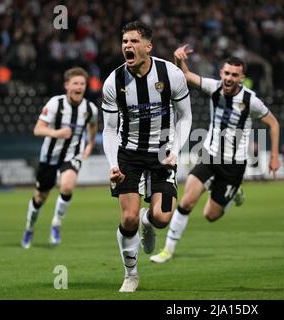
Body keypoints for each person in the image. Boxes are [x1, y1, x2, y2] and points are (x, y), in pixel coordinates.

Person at [150, 45, 280, 264]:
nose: (229, 78)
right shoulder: (214, 87)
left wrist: (274, 156)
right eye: (226, 73)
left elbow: (273, 123)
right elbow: (185, 75)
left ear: (242, 78)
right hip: (209, 156)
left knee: (210, 216)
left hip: (234, 165)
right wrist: (178, 58)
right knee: (187, 201)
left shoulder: (251, 101)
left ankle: (234, 191)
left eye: (234, 75)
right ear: (221, 73)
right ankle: (168, 250)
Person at [101, 21, 192, 292]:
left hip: (163, 154)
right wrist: (113, 165)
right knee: (126, 219)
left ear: (148, 47)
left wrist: (176, 151)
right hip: (128, 154)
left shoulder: (170, 73)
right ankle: (131, 274)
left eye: (133, 41)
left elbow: (186, 116)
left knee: (162, 218)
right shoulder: (113, 81)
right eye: (124, 42)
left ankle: (147, 221)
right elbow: (108, 129)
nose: (127, 46)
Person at [21, 67, 98, 249]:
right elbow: (37, 129)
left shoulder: (90, 108)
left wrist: (90, 144)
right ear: (66, 86)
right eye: (75, 83)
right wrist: (57, 133)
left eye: (82, 84)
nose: (79, 87)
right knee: (40, 198)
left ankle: (56, 224)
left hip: (72, 155)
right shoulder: (56, 103)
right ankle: (29, 228)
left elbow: (93, 127)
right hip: (49, 157)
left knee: (67, 186)